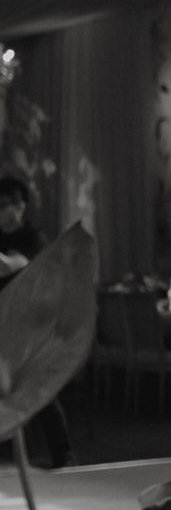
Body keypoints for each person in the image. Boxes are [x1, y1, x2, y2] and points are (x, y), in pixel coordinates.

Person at [0, 176, 75, 467]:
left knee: (38, 392)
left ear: (22, 207)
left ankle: (63, 457)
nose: (7, 210)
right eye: (1, 204)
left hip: (28, 328)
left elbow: (10, 265)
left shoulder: (33, 238)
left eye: (13, 204)